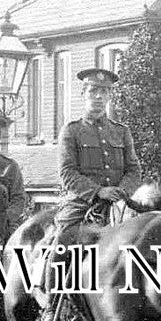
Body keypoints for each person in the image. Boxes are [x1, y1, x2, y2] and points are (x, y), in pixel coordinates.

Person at [54, 68, 142, 243]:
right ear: (83, 94)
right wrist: (99, 191)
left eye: (104, 91)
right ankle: (50, 270)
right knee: (63, 241)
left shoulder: (121, 131)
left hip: (119, 205)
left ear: (110, 96)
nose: (99, 97)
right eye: (93, 91)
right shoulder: (72, 130)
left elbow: (133, 169)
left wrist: (121, 192)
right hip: (82, 204)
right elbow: (67, 172)